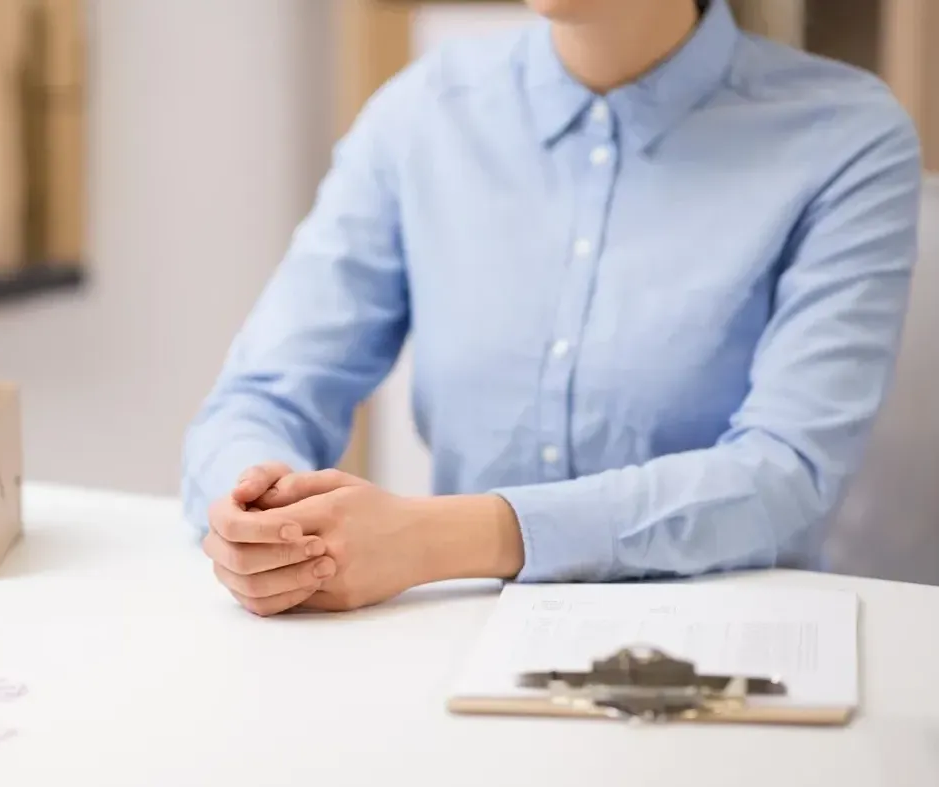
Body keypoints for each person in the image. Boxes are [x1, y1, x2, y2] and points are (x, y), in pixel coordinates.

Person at [181, 0, 923, 616]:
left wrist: (440, 538)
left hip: (734, 649)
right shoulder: (421, 115)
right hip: (457, 647)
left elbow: (787, 476)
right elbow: (264, 395)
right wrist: (259, 520)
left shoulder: (845, 137)